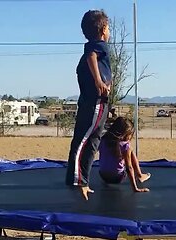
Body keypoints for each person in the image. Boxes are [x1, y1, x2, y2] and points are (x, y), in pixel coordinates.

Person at [65, 9, 112, 200]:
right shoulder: (97, 46)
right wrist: (98, 81)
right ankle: (78, 181)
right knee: (84, 140)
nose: (109, 32)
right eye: (108, 28)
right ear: (102, 30)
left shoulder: (100, 48)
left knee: (93, 141)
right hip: (94, 102)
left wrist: (106, 83)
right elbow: (91, 56)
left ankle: (83, 180)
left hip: (100, 102)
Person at [98, 117, 151, 192]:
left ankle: (140, 175)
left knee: (127, 150)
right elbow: (129, 168)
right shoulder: (125, 146)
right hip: (117, 178)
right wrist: (135, 188)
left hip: (103, 176)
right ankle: (140, 175)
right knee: (130, 150)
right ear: (126, 133)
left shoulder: (102, 140)